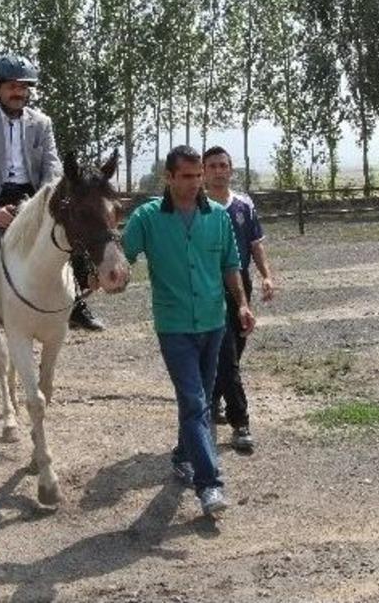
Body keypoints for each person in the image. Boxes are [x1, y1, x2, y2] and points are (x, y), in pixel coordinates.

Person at [121, 145, 255, 517]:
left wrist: (242, 304)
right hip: (174, 325)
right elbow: (122, 259)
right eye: (187, 176)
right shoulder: (147, 218)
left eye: (199, 176)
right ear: (169, 177)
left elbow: (231, 265)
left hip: (214, 322)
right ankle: (209, 485)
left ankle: (183, 455)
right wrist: (106, 277)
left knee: (202, 400)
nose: (196, 183)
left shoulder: (217, 216)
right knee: (197, 403)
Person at [0, 53, 105, 361]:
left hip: (34, 197)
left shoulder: (42, 123)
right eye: (11, 86)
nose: (18, 92)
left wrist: (44, 200)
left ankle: (76, 305)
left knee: (72, 237)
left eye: (23, 86)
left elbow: (52, 165)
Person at [203, 146, 275, 453]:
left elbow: (256, 245)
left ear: (231, 170)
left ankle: (215, 398)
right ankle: (240, 422)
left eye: (223, 165)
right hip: (209, 286)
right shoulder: (197, 207)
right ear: (204, 171)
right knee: (228, 352)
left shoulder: (244, 205)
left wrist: (266, 276)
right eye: (213, 166)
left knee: (236, 348)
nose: (219, 170)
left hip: (240, 283)